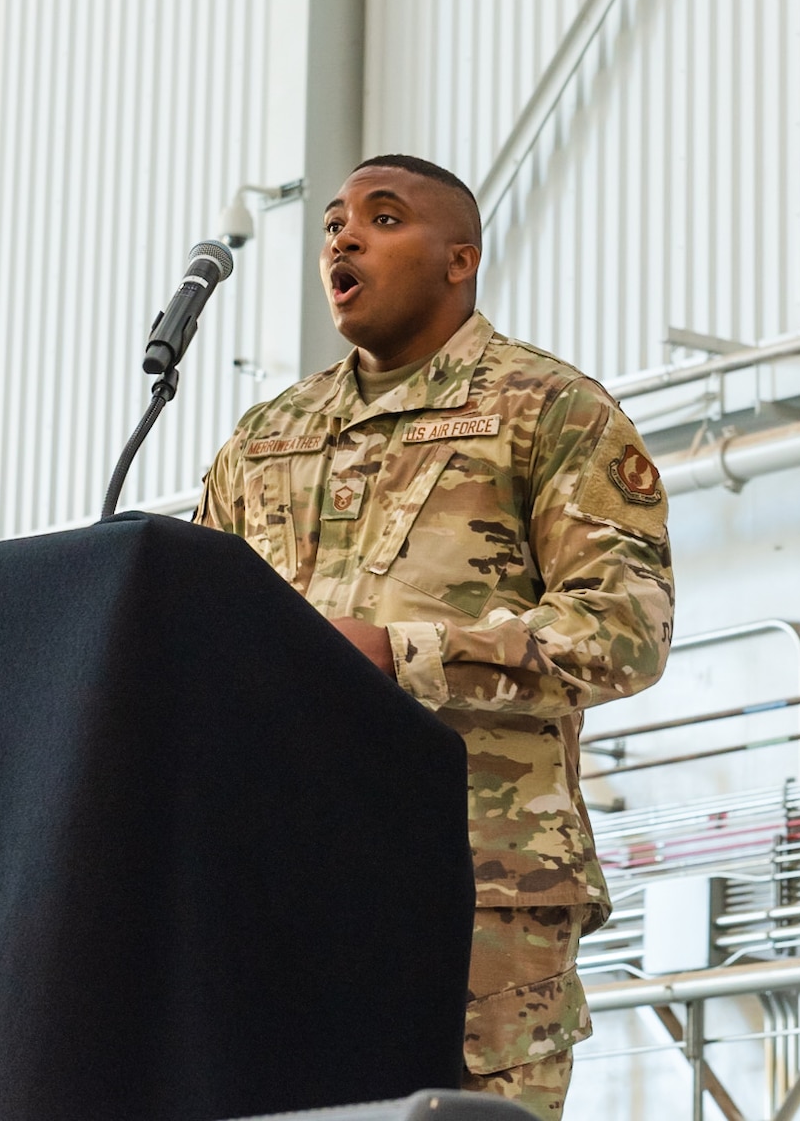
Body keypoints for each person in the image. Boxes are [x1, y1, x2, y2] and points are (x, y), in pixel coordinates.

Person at [194, 153, 675, 1119]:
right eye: (334, 223)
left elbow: (624, 629)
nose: (344, 236)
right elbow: (202, 645)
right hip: (284, 879)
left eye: (382, 217)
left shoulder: (547, 410)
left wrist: (401, 656)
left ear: (461, 259)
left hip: (481, 885)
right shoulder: (266, 437)